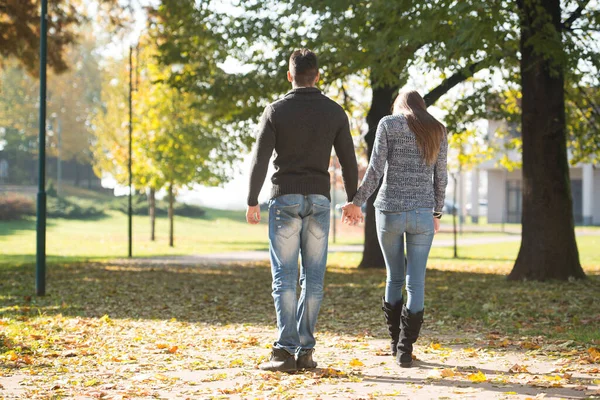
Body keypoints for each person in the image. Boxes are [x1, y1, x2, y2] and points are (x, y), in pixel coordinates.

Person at [246, 48, 358, 372]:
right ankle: (305, 352)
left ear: (289, 75)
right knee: (314, 278)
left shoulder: (275, 111)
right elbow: (348, 160)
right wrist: (352, 199)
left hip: (284, 201)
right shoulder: (335, 112)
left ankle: (283, 353)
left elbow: (260, 158)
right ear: (318, 76)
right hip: (320, 201)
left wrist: (252, 199)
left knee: (284, 277)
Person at [342, 90, 448, 368]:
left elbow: (375, 169)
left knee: (394, 278)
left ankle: (394, 342)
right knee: (416, 283)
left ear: (398, 105)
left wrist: (356, 202)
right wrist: (436, 211)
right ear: (421, 106)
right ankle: (405, 349)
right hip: (422, 214)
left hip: (389, 211)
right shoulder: (437, 129)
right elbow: (442, 176)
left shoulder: (388, 124)